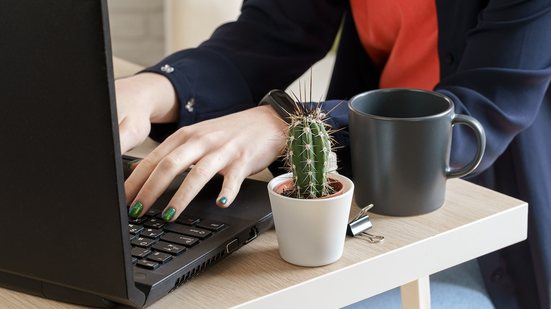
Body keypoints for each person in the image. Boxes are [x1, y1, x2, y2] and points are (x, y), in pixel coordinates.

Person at [116, 0, 551, 308]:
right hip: (370, 202)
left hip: (484, 235)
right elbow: (270, 32)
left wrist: (285, 123)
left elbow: (481, 111)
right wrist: (157, 87)